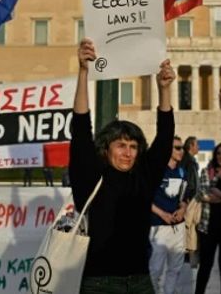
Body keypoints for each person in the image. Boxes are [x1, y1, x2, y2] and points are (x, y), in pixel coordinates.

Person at [69, 38, 176, 293]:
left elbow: (164, 138)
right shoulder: (92, 177)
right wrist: (84, 72)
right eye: (121, 145)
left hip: (140, 281)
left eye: (133, 147)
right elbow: (82, 129)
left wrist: (164, 91)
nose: (128, 153)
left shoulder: (144, 177)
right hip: (99, 284)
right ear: (106, 150)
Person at [195, 142, 221, 294]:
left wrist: (220, 195)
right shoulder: (209, 171)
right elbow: (202, 194)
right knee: (205, 266)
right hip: (208, 226)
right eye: (218, 153)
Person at [149, 139, 188, 294]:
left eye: (182, 148)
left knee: (175, 270)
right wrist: (162, 214)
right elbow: (145, 198)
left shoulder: (182, 171)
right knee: (155, 269)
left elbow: (185, 196)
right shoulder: (155, 171)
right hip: (158, 226)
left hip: (177, 228)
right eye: (178, 148)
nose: (181, 151)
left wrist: (183, 208)